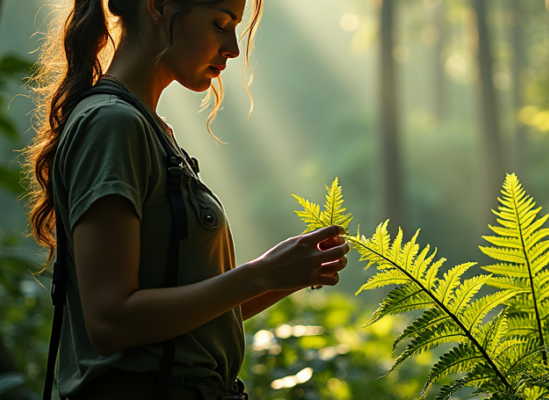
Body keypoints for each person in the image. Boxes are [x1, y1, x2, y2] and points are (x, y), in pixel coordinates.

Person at [22, 0, 350, 399]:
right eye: (219, 23)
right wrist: (260, 273)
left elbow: (189, 319)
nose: (233, 47)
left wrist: (284, 275)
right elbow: (111, 321)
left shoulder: (146, 128)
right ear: (158, 7)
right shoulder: (113, 124)